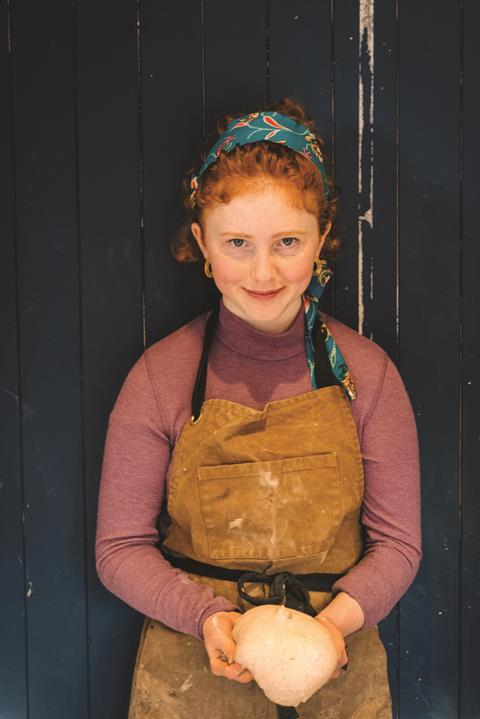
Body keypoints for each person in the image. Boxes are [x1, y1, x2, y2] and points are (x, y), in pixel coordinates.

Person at [95, 96, 422, 719]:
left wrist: (331, 631)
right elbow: (118, 548)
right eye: (238, 242)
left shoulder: (368, 377)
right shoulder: (159, 378)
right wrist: (208, 617)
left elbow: (399, 545)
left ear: (322, 237)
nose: (263, 270)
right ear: (202, 242)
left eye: (288, 241)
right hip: (189, 681)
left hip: (338, 680)